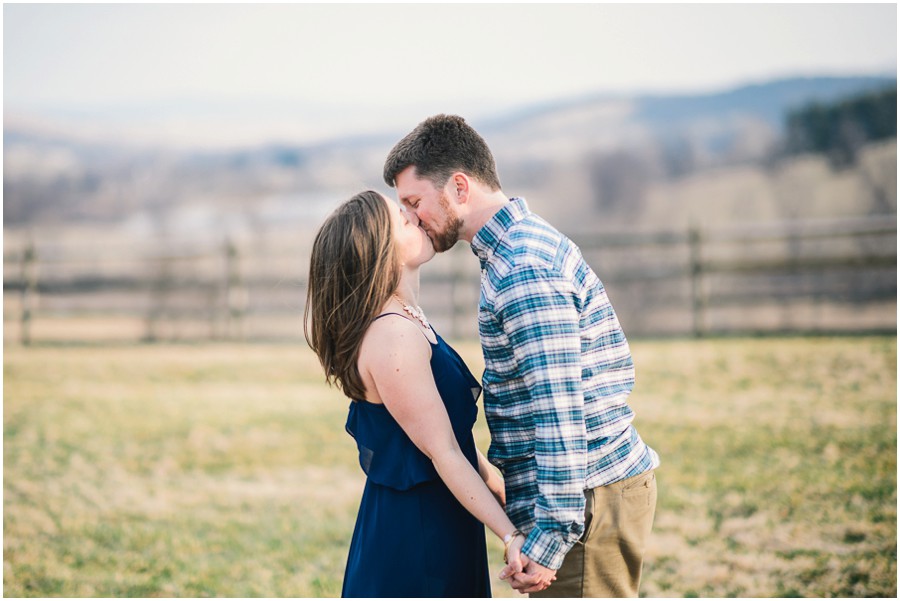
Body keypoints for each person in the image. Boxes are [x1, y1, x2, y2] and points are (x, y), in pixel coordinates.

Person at [383, 114, 660, 597]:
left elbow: (559, 413)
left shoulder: (521, 269)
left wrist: (549, 537)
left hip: (586, 504)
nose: (413, 218)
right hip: (585, 498)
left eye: (414, 202)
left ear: (460, 187)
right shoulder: (513, 252)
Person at [304, 190, 536, 597]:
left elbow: (437, 434)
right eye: (403, 217)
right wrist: (509, 535)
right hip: (417, 534)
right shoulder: (393, 335)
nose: (416, 216)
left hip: (444, 513)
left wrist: (493, 484)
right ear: (381, 251)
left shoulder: (408, 318)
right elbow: (441, 449)